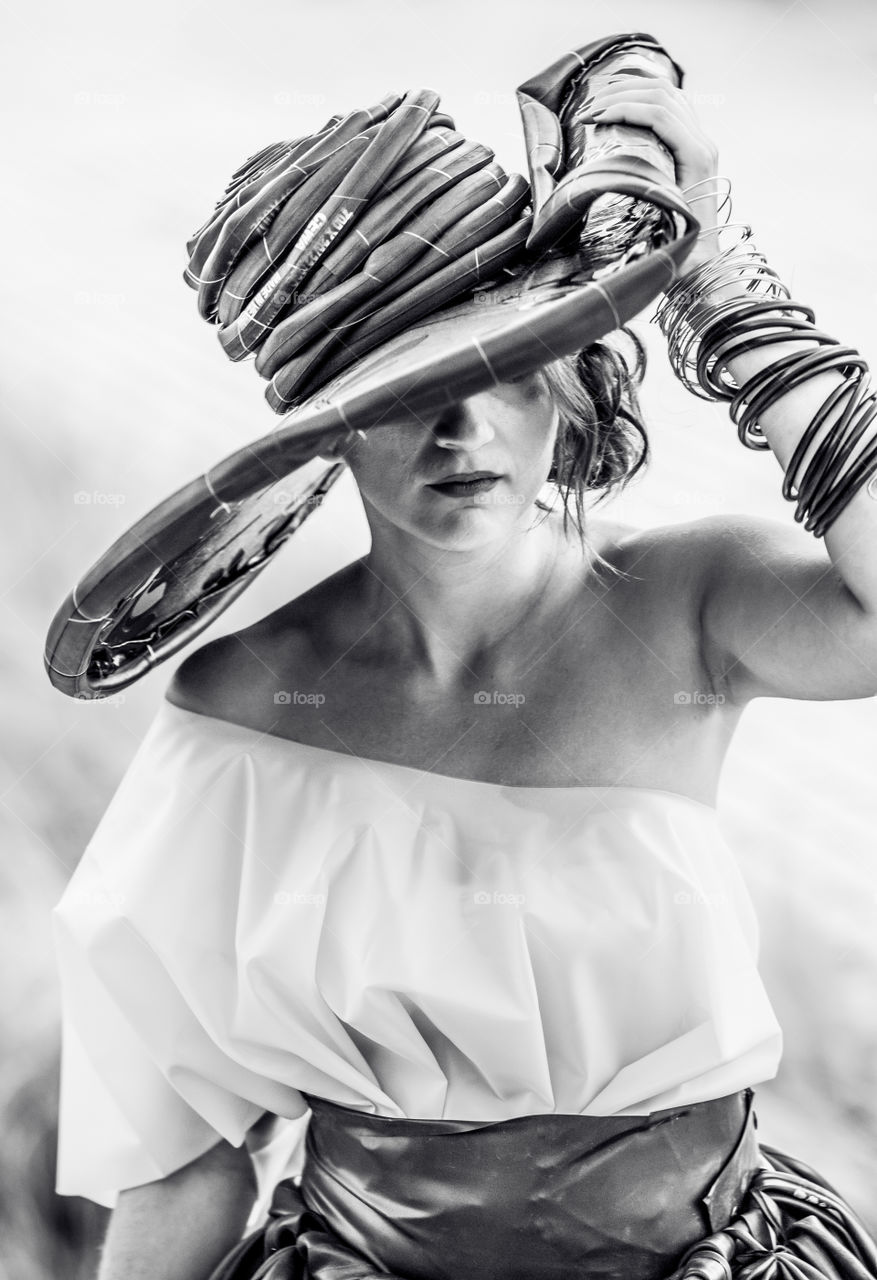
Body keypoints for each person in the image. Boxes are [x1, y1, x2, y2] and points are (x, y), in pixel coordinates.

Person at [51, 55, 877, 1280]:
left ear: (575, 365)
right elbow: (184, 1155)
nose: (466, 430)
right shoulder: (244, 707)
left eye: (509, 362)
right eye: (406, 389)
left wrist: (719, 281)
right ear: (322, 429)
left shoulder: (698, 602)